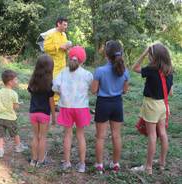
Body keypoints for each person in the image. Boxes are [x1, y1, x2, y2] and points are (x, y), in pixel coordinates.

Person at [131, 43, 173, 175]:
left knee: (152, 136)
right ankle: (162, 163)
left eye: (150, 54)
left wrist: (143, 53)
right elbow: (170, 92)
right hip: (163, 105)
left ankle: (148, 167)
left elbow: (134, 68)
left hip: (151, 105)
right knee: (162, 133)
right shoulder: (169, 70)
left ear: (153, 57)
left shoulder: (151, 69)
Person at [52, 46, 93, 173]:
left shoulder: (63, 72)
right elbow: (93, 88)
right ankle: (82, 165)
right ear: (83, 60)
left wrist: (63, 92)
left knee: (67, 135)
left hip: (66, 107)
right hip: (81, 108)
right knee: (80, 135)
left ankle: (67, 162)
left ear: (69, 58)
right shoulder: (87, 74)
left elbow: (55, 87)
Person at [91, 40, 130, 174]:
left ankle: (99, 165)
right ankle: (115, 164)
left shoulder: (100, 71)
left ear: (106, 55)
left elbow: (93, 90)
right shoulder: (125, 71)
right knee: (116, 136)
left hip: (103, 103)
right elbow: (125, 91)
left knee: (100, 137)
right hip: (117, 104)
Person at [28, 54, 56, 167]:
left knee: (35, 136)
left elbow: (31, 93)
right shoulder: (50, 84)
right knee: (42, 137)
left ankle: (33, 160)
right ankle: (41, 160)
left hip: (33, 112)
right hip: (44, 114)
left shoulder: (32, 81)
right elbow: (51, 102)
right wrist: (54, 116)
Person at [0, 70, 28, 158]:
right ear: (10, 82)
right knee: (15, 133)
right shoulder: (13, 94)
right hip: (11, 118)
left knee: (0, 135)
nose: (17, 81)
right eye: (16, 79)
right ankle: (18, 147)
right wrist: (18, 105)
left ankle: (0, 151)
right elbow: (15, 107)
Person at [44, 17, 72, 105]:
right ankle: (52, 102)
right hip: (53, 63)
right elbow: (46, 48)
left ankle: (57, 102)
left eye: (66, 25)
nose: (66, 27)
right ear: (58, 24)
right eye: (64, 25)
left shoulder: (64, 35)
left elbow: (65, 47)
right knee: (53, 83)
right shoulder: (51, 34)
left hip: (62, 63)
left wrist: (68, 48)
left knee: (61, 83)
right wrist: (60, 47)